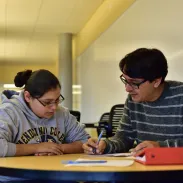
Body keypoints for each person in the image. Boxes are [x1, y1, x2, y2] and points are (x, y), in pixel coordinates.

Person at [83, 48, 183, 156]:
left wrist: (160, 147)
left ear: (156, 81)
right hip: (144, 168)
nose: (127, 89)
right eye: (125, 81)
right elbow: (124, 138)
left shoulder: (180, 96)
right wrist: (105, 145)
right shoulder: (133, 100)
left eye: (134, 83)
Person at [0, 69, 90, 182]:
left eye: (57, 100)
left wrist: (57, 148)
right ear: (28, 97)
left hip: (56, 176)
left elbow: (85, 142)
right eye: (47, 102)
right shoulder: (9, 112)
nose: (54, 107)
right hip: (16, 178)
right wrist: (37, 147)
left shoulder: (62, 113)